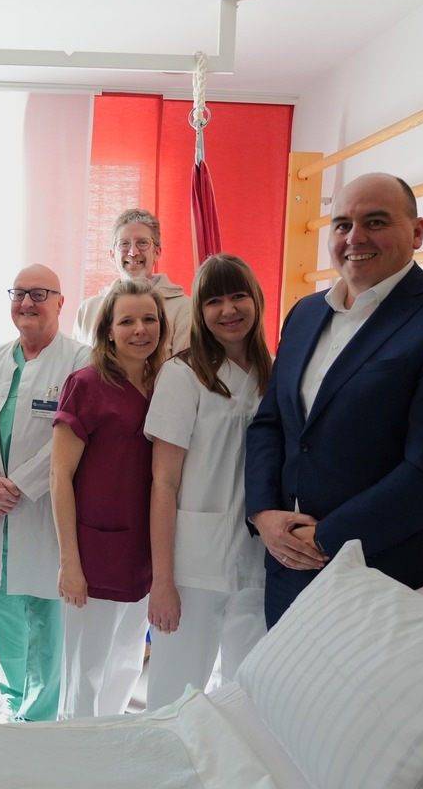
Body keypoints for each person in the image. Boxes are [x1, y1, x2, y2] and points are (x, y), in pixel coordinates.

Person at [245, 173, 423, 627]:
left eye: (376, 222)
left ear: (417, 232)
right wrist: (264, 512)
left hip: (390, 575)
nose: (355, 237)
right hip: (289, 569)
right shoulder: (305, 313)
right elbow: (271, 423)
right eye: (342, 224)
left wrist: (329, 537)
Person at [0, 264, 90, 722]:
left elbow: (71, 435)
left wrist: (15, 489)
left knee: (44, 612)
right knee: (1, 607)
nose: (27, 302)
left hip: (43, 508)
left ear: (60, 302)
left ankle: (40, 713)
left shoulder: (80, 361)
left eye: (39, 294)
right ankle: (13, 699)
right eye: (19, 293)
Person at [143, 255, 272, 711]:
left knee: (248, 695)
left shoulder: (273, 373)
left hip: (257, 561)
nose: (228, 310)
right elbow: (163, 483)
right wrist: (163, 581)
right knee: (173, 697)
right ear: (199, 311)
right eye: (214, 301)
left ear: (256, 300)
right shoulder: (183, 375)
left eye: (238, 296)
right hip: (192, 564)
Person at [51, 277, 167, 719]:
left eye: (149, 319)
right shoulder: (86, 384)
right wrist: (69, 562)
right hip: (95, 551)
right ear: (108, 330)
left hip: (144, 550)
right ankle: (78, 748)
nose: (140, 330)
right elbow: (59, 476)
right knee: (86, 670)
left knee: (128, 661)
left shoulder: (166, 384)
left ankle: (111, 739)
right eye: (127, 321)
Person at [73, 208, 191, 355]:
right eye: (124, 243)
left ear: (157, 252)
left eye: (142, 243)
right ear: (112, 254)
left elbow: (184, 368)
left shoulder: (185, 308)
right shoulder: (87, 310)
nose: (133, 252)